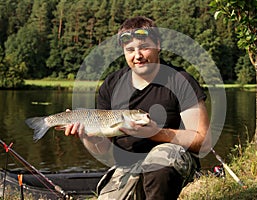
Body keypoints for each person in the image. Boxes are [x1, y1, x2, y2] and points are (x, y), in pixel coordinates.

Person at [64, 16, 211, 200]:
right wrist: (86, 135)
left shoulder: (180, 80)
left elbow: (203, 140)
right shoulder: (111, 84)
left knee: (159, 163)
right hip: (128, 166)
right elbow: (102, 149)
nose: (138, 56)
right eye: (130, 50)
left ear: (158, 44)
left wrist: (155, 133)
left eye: (144, 47)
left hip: (171, 162)